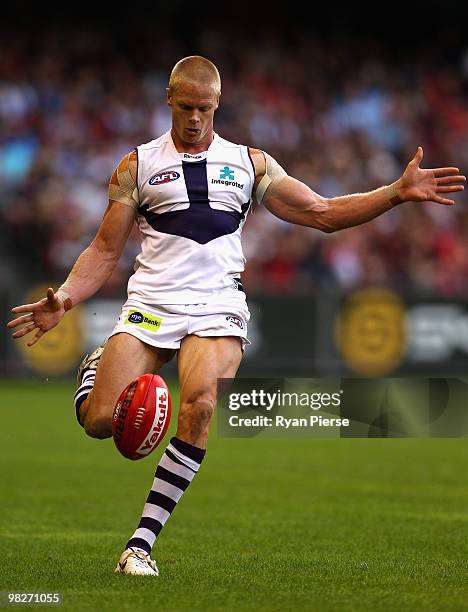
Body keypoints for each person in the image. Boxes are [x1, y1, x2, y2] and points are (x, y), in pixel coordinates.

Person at [7, 56, 465, 576]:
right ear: (169, 100)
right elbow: (105, 250)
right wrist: (64, 299)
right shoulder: (136, 166)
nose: (196, 118)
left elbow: (321, 213)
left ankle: (139, 546)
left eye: (204, 108)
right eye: (185, 107)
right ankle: (96, 372)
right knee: (101, 424)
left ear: (217, 103)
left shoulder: (251, 164)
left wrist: (394, 194)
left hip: (219, 303)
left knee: (200, 403)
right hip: (153, 304)